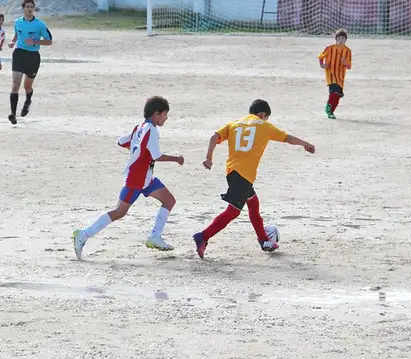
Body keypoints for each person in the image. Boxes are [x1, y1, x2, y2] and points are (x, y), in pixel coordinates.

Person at [193, 99, 315, 258]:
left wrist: (209, 157)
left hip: (232, 171)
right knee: (233, 212)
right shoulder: (264, 126)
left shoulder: (234, 123)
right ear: (263, 114)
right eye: (266, 117)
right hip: (244, 175)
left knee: (253, 202)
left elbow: (213, 137)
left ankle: (264, 240)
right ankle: (203, 237)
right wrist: (305, 143)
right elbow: (287, 138)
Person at [72, 96, 184, 260]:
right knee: (119, 212)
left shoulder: (139, 127)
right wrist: (176, 159)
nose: (166, 118)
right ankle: (83, 234)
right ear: (156, 114)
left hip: (146, 177)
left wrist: (137, 150)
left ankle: (154, 237)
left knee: (169, 200)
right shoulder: (152, 130)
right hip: (136, 179)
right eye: (165, 114)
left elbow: (121, 141)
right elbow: (156, 155)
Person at [6, 0, 52, 125]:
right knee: (15, 84)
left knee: (27, 86)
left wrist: (36, 42)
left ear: (34, 9)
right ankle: (13, 114)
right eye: (27, 6)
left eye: (32, 6)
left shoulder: (40, 25)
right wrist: (12, 42)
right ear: (23, 8)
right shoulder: (17, 22)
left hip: (33, 57)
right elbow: (17, 34)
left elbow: (49, 41)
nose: (30, 9)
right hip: (19, 54)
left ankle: (27, 101)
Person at [317, 28, 352, 119]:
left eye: (343, 39)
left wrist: (345, 63)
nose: (341, 41)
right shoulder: (329, 49)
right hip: (331, 74)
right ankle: (329, 108)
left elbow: (349, 66)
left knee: (338, 95)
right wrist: (322, 65)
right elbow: (321, 57)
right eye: (339, 38)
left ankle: (331, 110)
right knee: (334, 91)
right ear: (336, 39)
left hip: (340, 76)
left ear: (345, 40)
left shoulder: (348, 51)